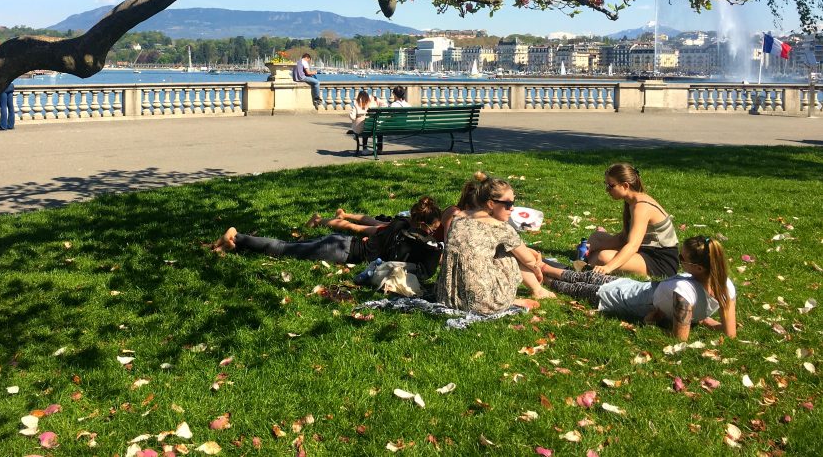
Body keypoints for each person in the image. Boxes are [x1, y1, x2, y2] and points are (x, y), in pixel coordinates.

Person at [541, 236, 737, 340]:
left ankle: (542, 275)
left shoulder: (684, 293)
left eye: (682, 259)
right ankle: (545, 267)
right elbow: (729, 332)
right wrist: (702, 319)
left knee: (576, 287)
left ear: (699, 268)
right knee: (586, 276)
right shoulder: (726, 287)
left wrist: (651, 323)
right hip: (635, 287)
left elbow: (679, 338)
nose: (679, 261)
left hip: (620, 298)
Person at [214, 197, 445, 277]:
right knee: (284, 249)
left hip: (340, 243)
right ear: (423, 225)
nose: (433, 233)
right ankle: (238, 237)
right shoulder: (410, 237)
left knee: (291, 245)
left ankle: (229, 244)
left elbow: (369, 226)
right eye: (432, 228)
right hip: (341, 250)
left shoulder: (399, 223)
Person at [436, 174, 551, 314]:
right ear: (491, 204)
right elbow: (527, 259)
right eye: (508, 204)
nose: (512, 208)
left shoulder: (459, 217)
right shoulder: (500, 228)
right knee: (508, 252)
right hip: (484, 305)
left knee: (504, 248)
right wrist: (536, 267)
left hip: (448, 298)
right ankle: (537, 290)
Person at [586, 163, 679, 278]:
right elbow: (624, 237)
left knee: (602, 257)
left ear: (625, 185)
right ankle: (591, 258)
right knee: (596, 237)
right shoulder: (631, 201)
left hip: (659, 260)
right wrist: (595, 245)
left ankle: (592, 259)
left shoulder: (641, 207)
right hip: (643, 249)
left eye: (611, 185)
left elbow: (633, 245)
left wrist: (608, 267)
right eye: (606, 185)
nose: (607, 190)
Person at [348, 90, 382, 155]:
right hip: (372, 128)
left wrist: (354, 117)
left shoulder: (356, 104)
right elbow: (384, 104)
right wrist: (376, 99)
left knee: (360, 124)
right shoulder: (372, 104)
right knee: (366, 125)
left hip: (359, 129)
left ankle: (364, 148)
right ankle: (379, 149)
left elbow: (352, 117)